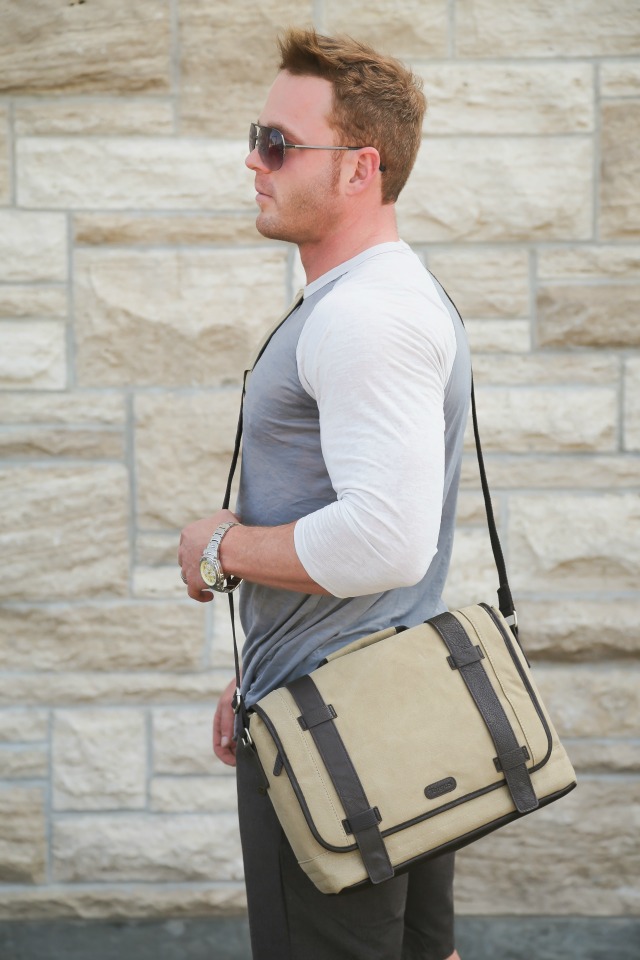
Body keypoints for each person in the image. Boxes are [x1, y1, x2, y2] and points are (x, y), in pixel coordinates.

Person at [178, 28, 470, 960]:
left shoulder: (366, 316)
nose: (253, 161)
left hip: (336, 739)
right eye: (256, 137)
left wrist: (218, 548)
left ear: (359, 168)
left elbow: (385, 541)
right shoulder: (379, 297)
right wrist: (260, 664)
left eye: (277, 143)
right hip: (379, 709)